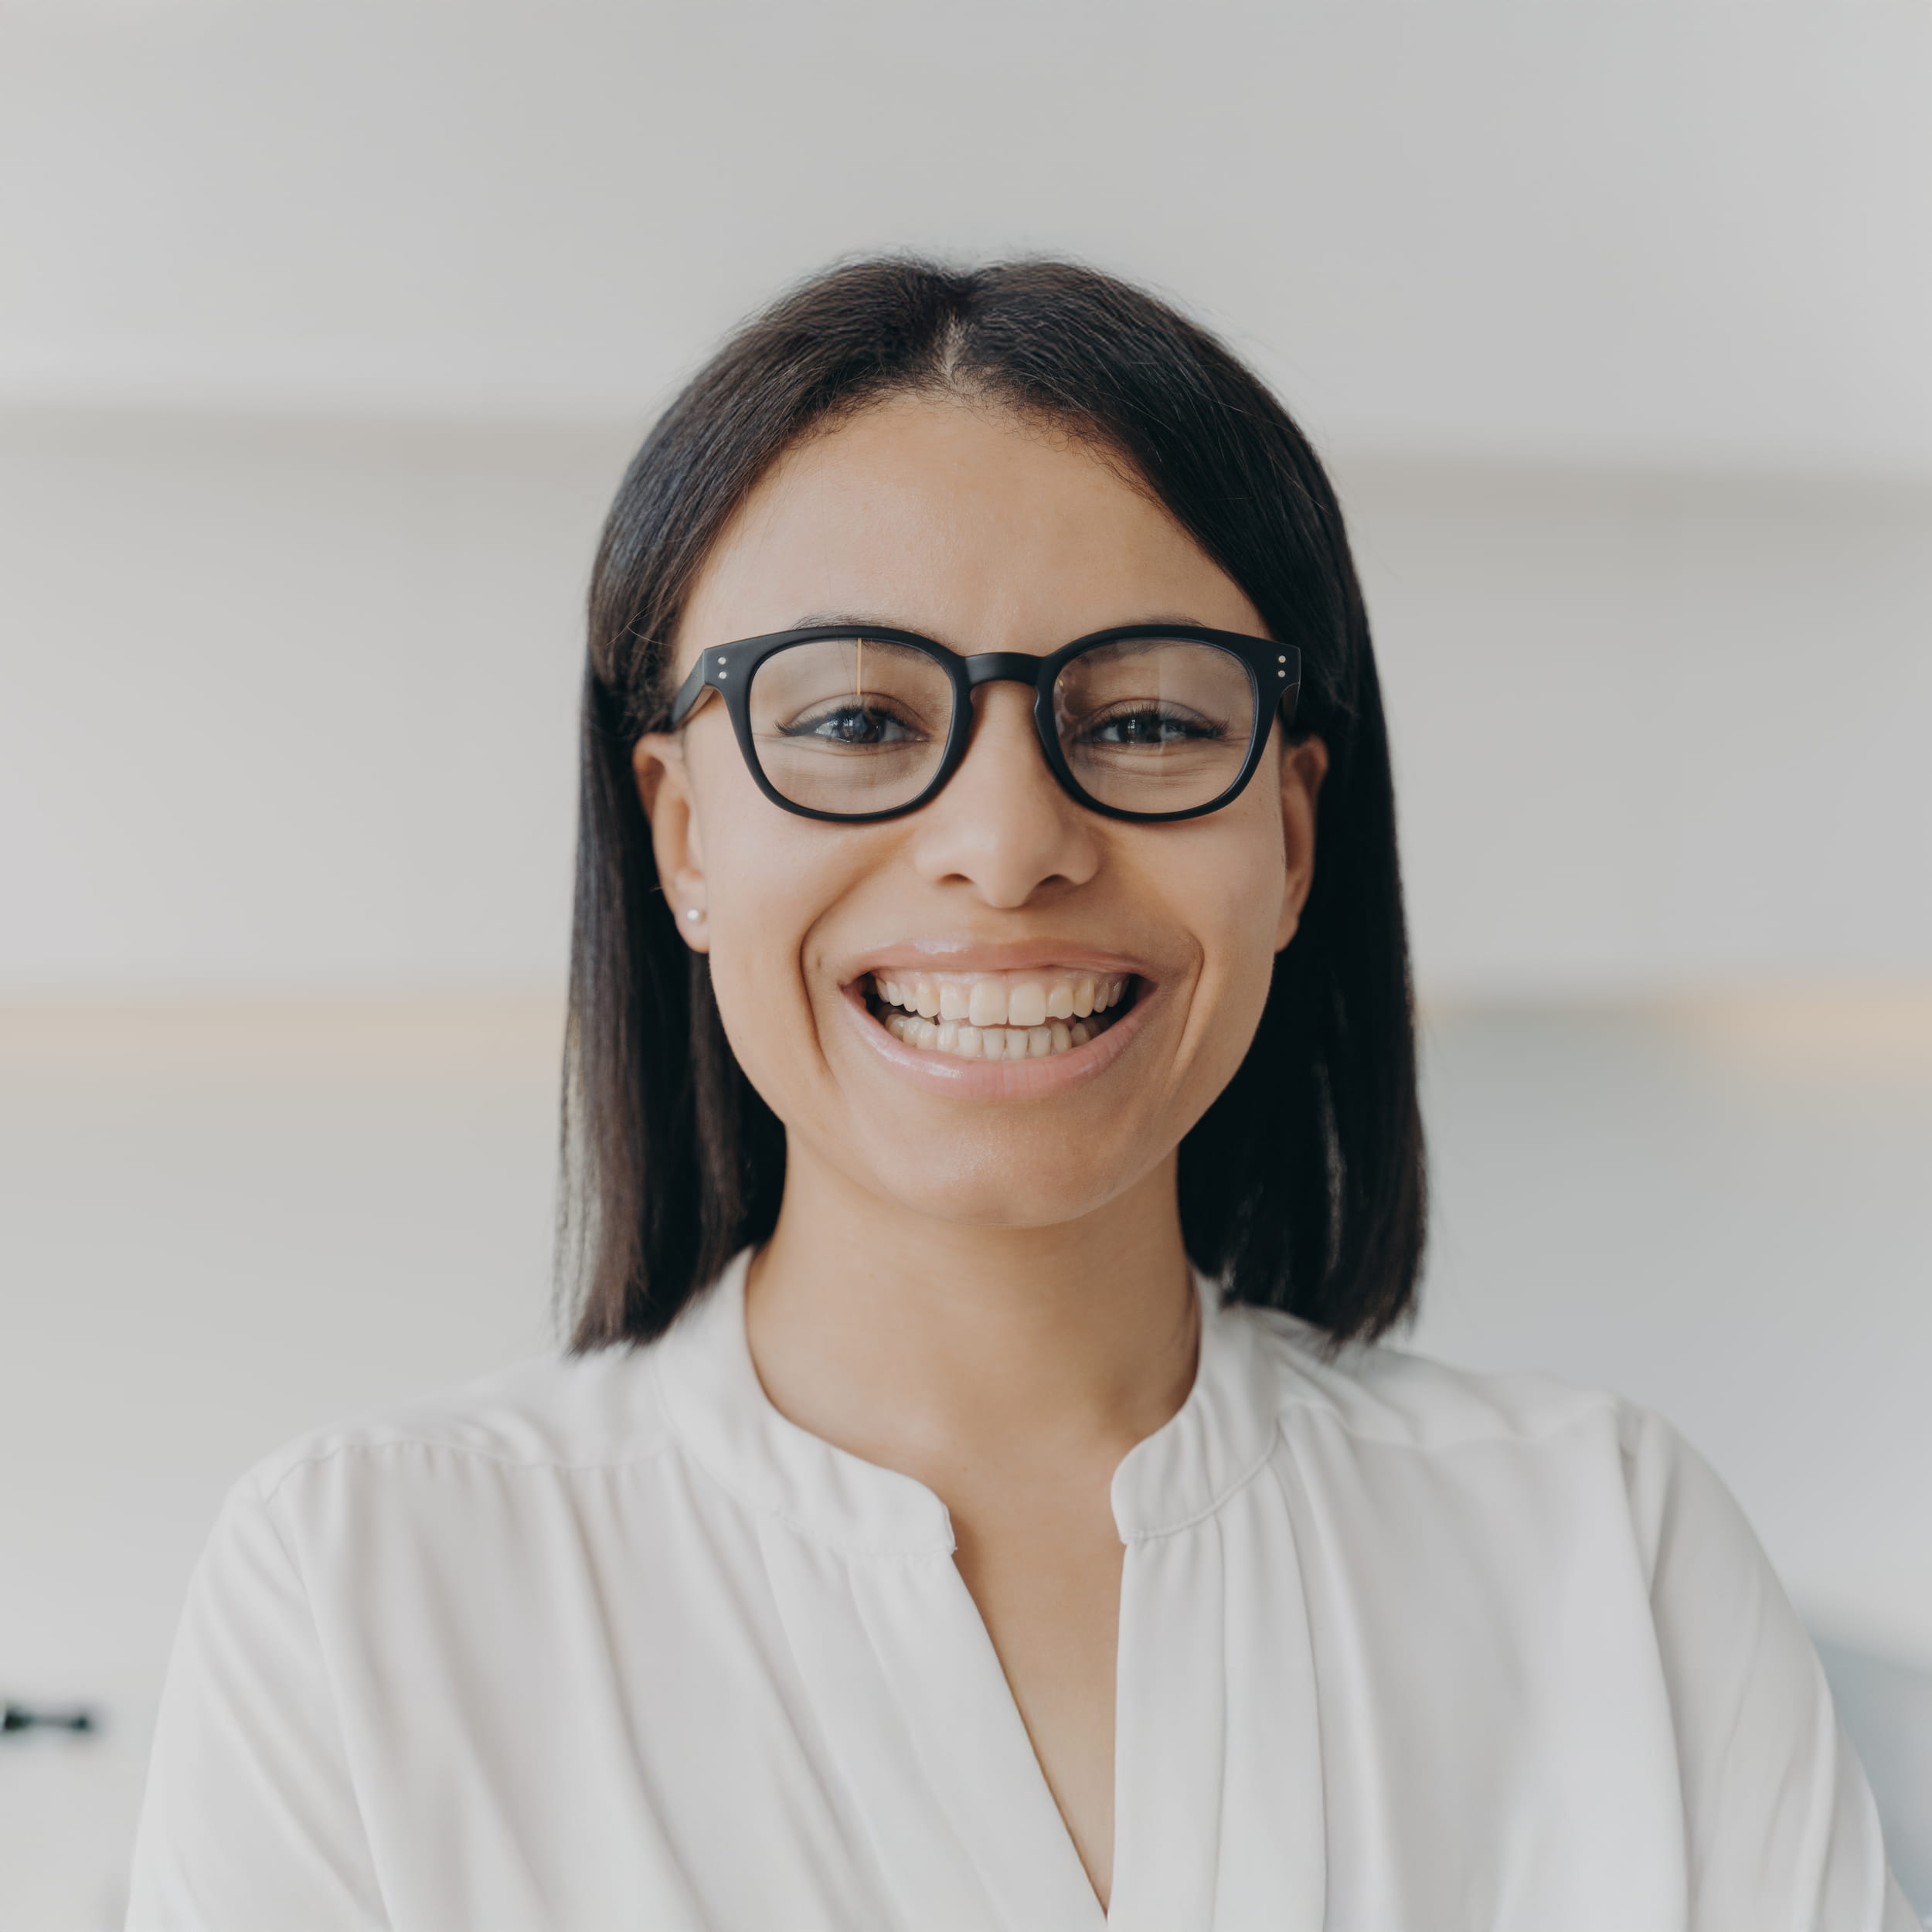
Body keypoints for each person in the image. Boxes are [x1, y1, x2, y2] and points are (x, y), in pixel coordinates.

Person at [127, 259, 1912, 1930]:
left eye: (1138, 721)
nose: (1004, 844)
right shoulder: (368, 1583)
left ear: (1288, 836)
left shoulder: (1605, 1547)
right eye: (850, 723)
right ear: (680, 833)